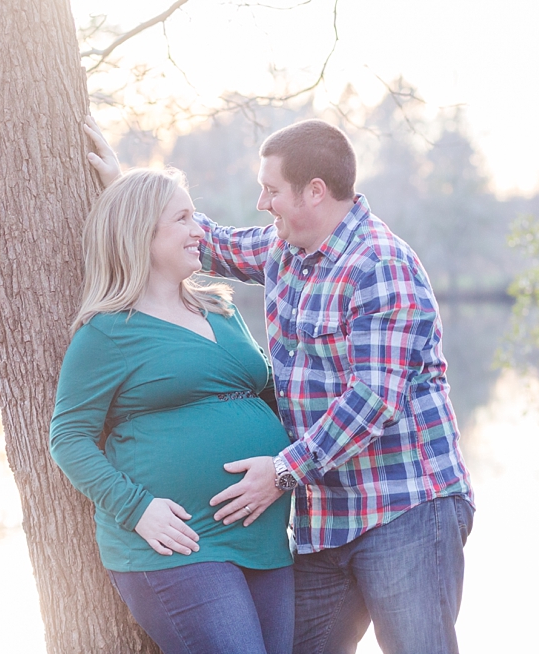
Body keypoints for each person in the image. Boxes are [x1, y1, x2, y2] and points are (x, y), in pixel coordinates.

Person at [84, 117, 475, 654]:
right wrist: (131, 193)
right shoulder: (284, 250)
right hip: (325, 519)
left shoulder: (379, 264)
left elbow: (374, 399)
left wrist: (283, 472)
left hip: (403, 508)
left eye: (271, 190)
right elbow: (206, 242)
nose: (263, 202)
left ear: (314, 192)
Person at [49, 166, 295, 654]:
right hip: (178, 545)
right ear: (142, 232)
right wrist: (136, 509)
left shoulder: (221, 309)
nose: (199, 230)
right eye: (183, 218)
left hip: (263, 536)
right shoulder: (107, 331)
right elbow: (68, 437)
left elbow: (266, 391)